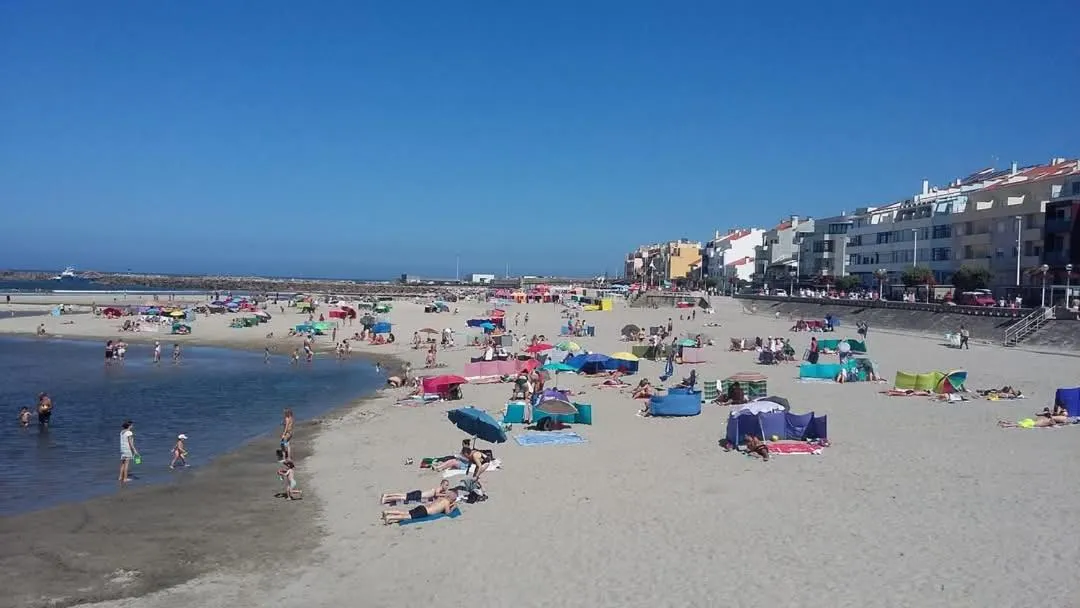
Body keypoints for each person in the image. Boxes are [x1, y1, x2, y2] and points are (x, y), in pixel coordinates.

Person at [382, 491, 458, 524]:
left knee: (406, 512)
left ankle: (387, 512)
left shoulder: (440, 499)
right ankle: (389, 517)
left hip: (422, 507)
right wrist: (453, 507)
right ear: (452, 499)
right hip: (425, 512)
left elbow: (434, 504)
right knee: (407, 516)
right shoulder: (447, 503)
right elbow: (447, 513)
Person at [380, 480, 451, 505]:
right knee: (403, 497)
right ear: (442, 484)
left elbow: (433, 497)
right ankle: (386, 499)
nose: (447, 486)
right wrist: (444, 494)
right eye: (446, 485)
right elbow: (436, 494)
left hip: (419, 494)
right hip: (419, 495)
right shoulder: (439, 488)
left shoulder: (439, 489)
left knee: (403, 495)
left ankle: (387, 495)